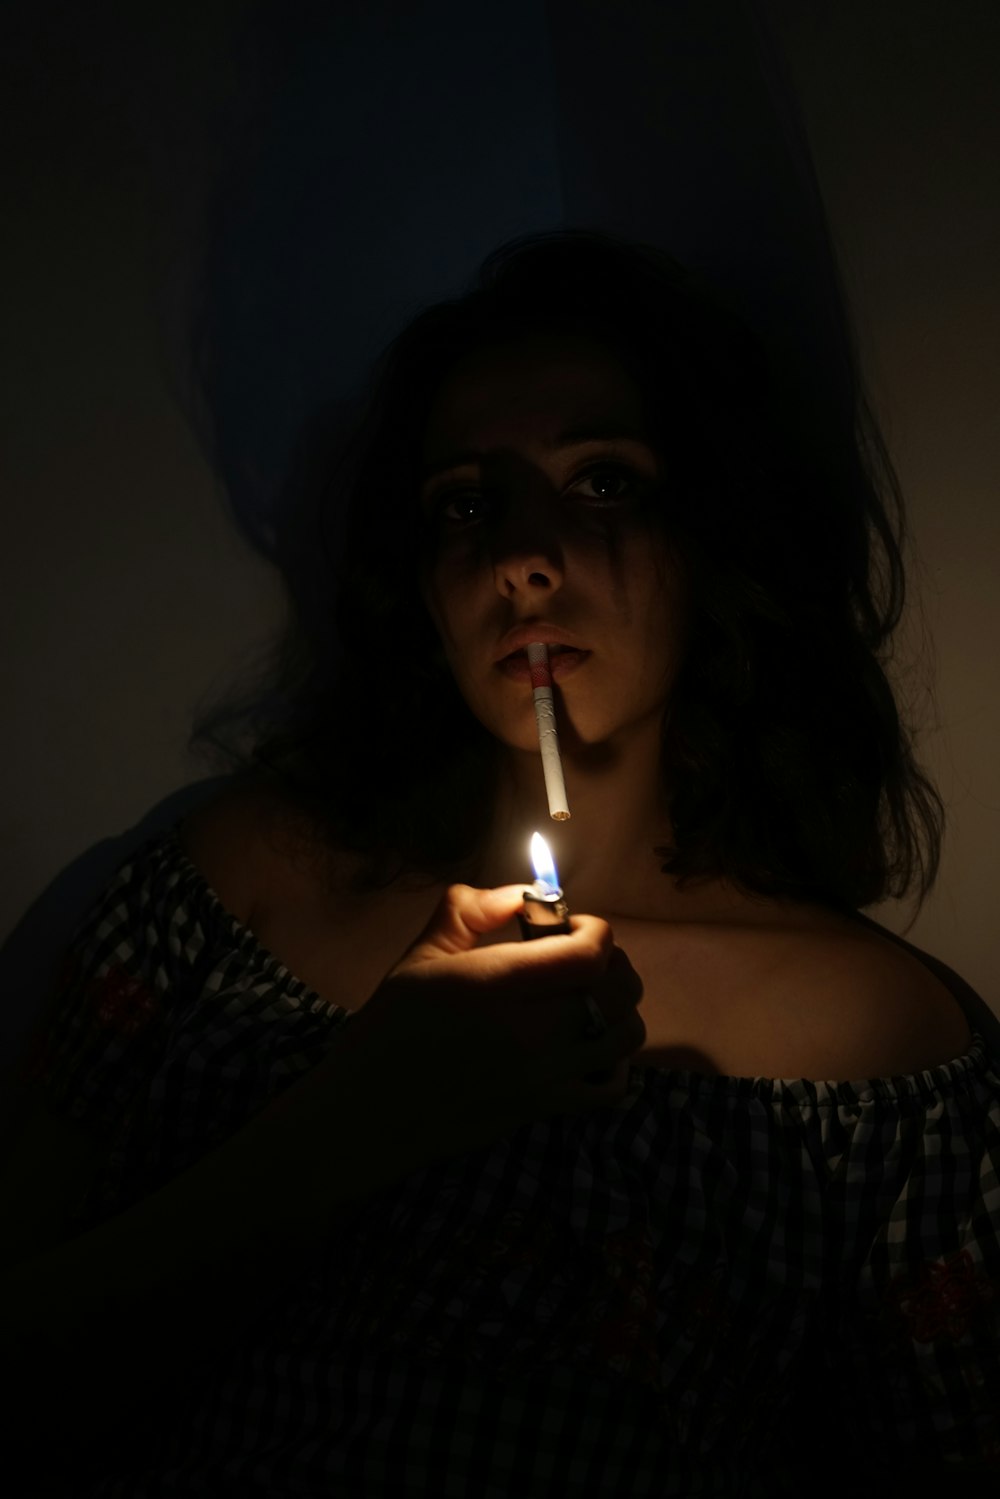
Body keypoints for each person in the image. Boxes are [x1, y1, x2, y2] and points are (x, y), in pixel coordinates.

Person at [2, 230, 998, 1497]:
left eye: (601, 484)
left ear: (713, 542)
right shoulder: (228, 888)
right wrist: (357, 1118)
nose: (522, 558)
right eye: (467, 504)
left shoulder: (880, 1049)